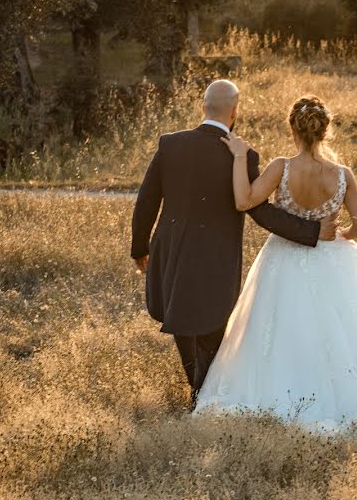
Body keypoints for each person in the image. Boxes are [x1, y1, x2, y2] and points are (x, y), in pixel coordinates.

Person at [193, 94, 357, 434]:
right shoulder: (342, 175)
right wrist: (341, 233)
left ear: (293, 130)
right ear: (325, 130)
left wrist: (240, 157)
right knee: (338, 329)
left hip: (282, 256)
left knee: (279, 327)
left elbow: (244, 200)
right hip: (334, 258)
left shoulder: (280, 168)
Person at [130, 80, 340, 407]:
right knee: (213, 324)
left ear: (204, 107)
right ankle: (203, 390)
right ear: (234, 112)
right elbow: (261, 211)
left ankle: (197, 387)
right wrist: (311, 231)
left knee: (180, 317)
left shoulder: (171, 144)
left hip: (171, 250)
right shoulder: (242, 155)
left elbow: (146, 201)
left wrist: (140, 248)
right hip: (217, 258)